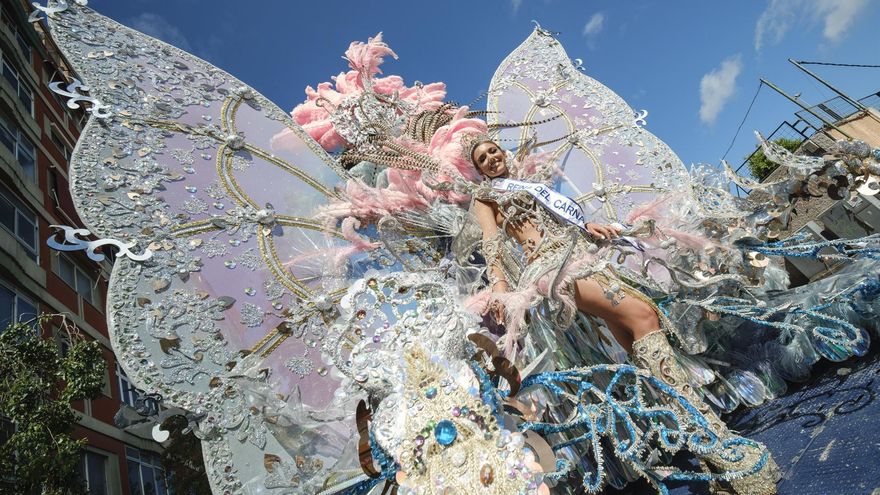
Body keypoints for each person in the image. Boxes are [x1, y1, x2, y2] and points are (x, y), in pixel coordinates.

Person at [467, 138, 780, 495]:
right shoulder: (486, 195)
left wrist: (589, 228)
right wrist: (500, 290)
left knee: (637, 338)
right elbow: (492, 244)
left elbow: (562, 221)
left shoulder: (531, 183)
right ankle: (717, 442)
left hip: (580, 253)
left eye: (493, 151)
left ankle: (708, 451)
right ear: (478, 169)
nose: (491, 159)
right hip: (552, 269)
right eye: (482, 158)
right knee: (643, 315)